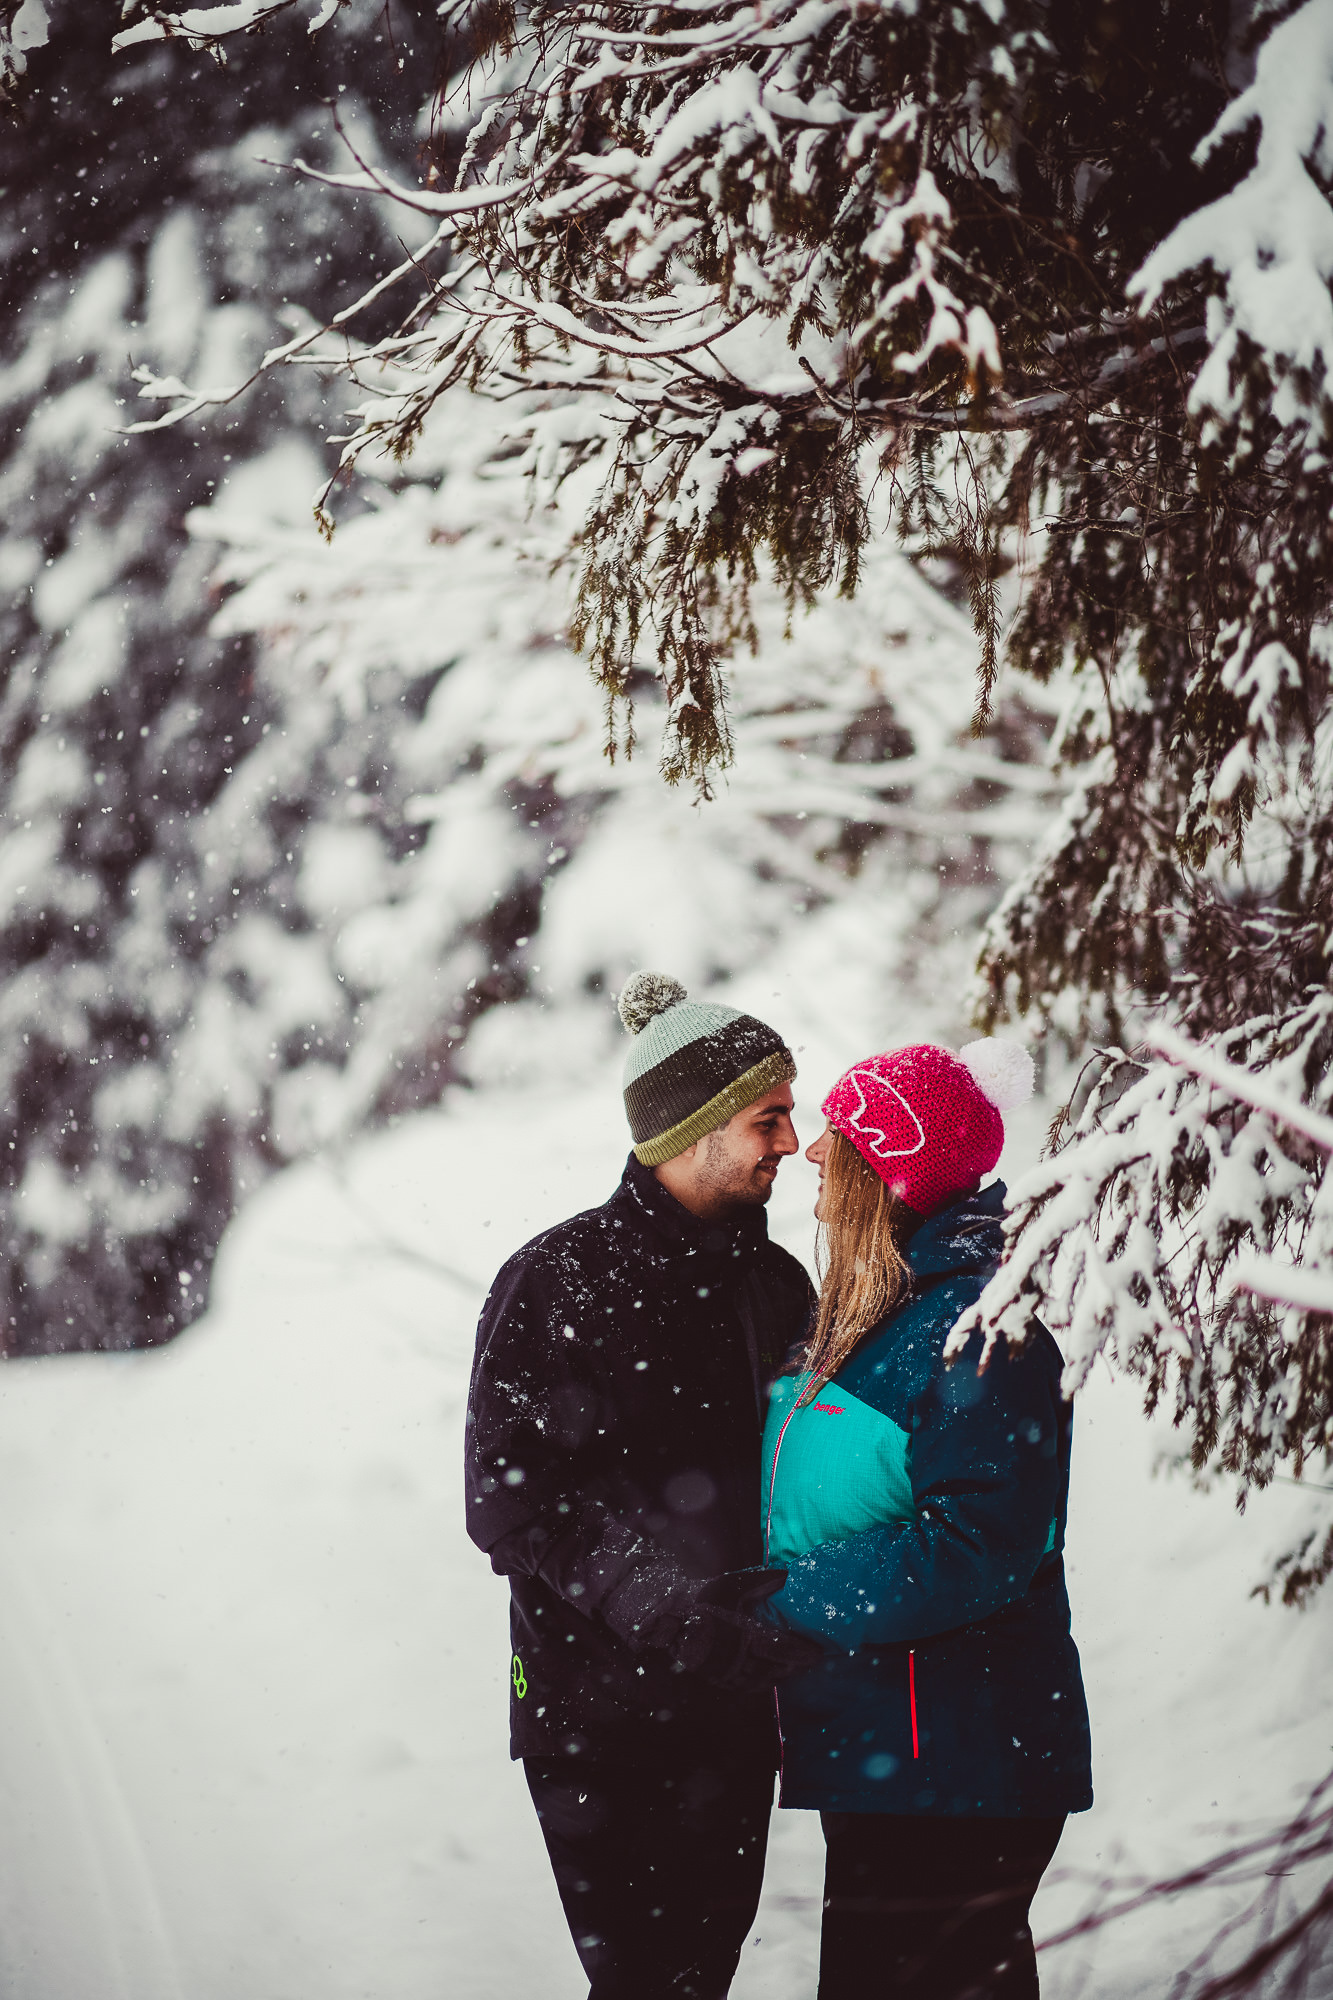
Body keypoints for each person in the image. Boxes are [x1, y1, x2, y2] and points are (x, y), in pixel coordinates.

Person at [465, 971, 823, 2000]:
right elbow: (510, 1500)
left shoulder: (773, 1280)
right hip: (595, 1714)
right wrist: (667, 1608)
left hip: (731, 1712)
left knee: (699, 1976)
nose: (790, 1143)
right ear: (693, 1126)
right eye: (768, 1117)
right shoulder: (554, 1279)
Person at [761, 1038, 1093, 2000]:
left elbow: (978, 1543)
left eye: (839, 1135)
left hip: (956, 1757)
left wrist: (787, 1595)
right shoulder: (883, 1305)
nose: (813, 1154)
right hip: (894, 1744)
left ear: (889, 1170)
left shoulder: (978, 1322)